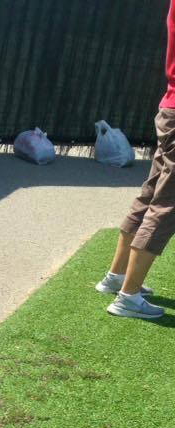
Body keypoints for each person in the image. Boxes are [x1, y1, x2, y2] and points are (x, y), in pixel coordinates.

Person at [97, 0, 175, 320]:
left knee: (151, 194)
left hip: (170, 108)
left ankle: (116, 278)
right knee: (166, 204)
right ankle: (128, 297)